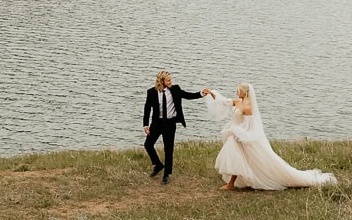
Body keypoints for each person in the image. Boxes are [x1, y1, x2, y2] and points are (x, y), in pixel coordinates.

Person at [203, 83, 337, 190]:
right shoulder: (238, 102)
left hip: (242, 135)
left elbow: (249, 126)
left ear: (245, 93)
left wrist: (237, 132)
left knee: (238, 158)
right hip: (236, 133)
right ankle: (235, 181)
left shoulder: (248, 107)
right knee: (238, 158)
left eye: (238, 90)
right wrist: (211, 93)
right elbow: (223, 102)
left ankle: (231, 183)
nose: (236, 92)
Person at [143, 70, 208, 185]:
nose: (170, 82)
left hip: (170, 124)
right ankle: (158, 165)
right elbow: (147, 109)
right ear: (161, 81)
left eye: (171, 80)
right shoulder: (151, 92)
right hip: (156, 124)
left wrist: (201, 93)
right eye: (168, 80)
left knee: (168, 149)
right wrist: (146, 124)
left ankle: (166, 174)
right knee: (148, 145)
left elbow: (188, 95)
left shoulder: (175, 89)